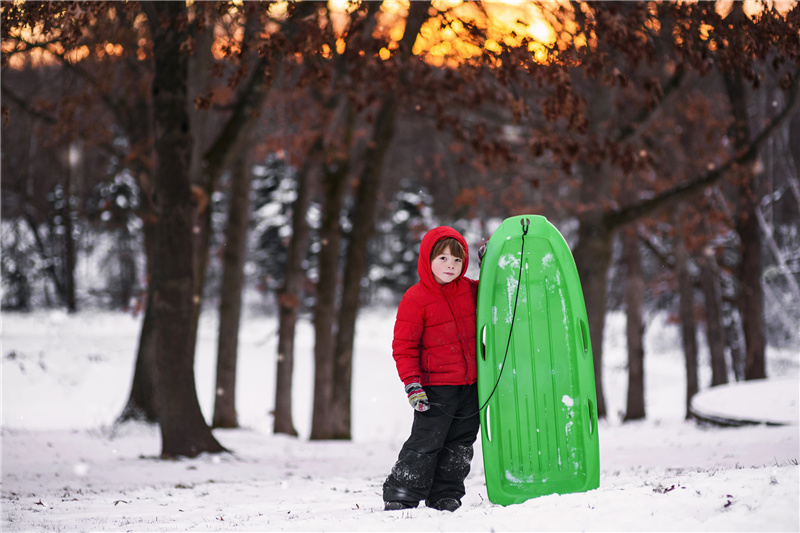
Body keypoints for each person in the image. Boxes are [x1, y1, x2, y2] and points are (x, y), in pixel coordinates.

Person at [382, 226, 480, 513]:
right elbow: (404, 348)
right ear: (428, 259)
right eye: (443, 258)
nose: (451, 265)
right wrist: (413, 385)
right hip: (435, 388)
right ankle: (402, 490)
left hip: (471, 386)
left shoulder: (472, 290)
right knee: (428, 440)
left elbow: (496, 288)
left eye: (458, 260)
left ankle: (445, 494)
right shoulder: (416, 298)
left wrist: (490, 261)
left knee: (460, 444)